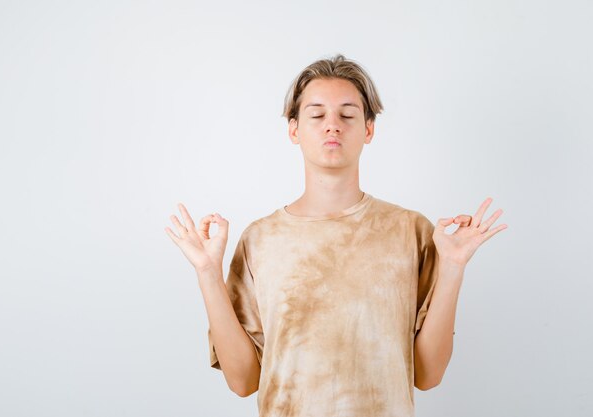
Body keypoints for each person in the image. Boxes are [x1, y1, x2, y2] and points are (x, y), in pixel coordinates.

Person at [165, 54, 507, 417]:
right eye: (316, 115)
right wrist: (207, 273)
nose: (333, 126)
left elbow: (428, 374)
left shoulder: (411, 231)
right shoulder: (261, 240)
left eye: (347, 115)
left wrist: (453, 267)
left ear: (369, 129)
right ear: (294, 129)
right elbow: (243, 381)